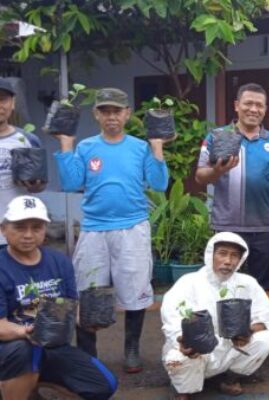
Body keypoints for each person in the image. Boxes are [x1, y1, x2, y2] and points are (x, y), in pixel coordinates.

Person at [54, 87, 170, 373]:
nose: (111, 116)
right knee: (87, 290)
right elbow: (70, 183)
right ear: (96, 114)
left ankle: (131, 349)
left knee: (135, 292)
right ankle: (88, 355)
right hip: (94, 230)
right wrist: (66, 144)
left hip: (132, 229)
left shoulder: (139, 147)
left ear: (127, 114)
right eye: (105, 111)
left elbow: (158, 184)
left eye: (116, 111)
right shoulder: (87, 147)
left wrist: (157, 147)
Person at [0, 196, 117, 400]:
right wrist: (25, 331)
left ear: (45, 229)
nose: (28, 235)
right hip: (12, 348)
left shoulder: (59, 262)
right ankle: (15, 387)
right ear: (3, 229)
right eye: (19, 227)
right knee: (24, 351)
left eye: (36, 228)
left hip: (53, 345)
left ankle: (35, 381)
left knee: (104, 385)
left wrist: (89, 320)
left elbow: (72, 306)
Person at [195, 83, 269, 291]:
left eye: (259, 105)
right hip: (227, 225)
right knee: (222, 284)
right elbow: (200, 176)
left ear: (265, 110)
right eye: (248, 103)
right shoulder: (218, 137)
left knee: (261, 287)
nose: (254, 109)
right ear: (237, 105)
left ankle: (258, 323)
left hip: (263, 228)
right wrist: (218, 171)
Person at [161, 232, 269, 399]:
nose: (228, 261)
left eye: (234, 256)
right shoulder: (189, 282)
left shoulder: (247, 283)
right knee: (177, 357)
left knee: (264, 339)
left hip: (232, 345)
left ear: (241, 260)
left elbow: (267, 316)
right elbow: (171, 318)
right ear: (211, 254)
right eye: (222, 253)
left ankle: (230, 378)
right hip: (197, 349)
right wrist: (183, 341)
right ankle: (183, 391)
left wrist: (247, 331)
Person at [0, 77, 45, 250]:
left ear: (13, 103)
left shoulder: (27, 139)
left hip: (17, 232)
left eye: (3, 99)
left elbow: (40, 186)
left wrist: (34, 184)